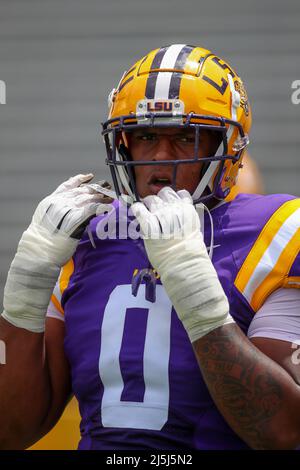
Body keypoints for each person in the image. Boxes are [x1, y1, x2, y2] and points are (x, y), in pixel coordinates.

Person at [1, 44, 300, 450]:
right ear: (123, 143)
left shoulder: (279, 231)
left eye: (185, 137)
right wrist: (27, 284)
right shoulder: (87, 236)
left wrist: (194, 289)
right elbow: (11, 428)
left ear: (225, 147)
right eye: (145, 135)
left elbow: (284, 432)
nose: (161, 157)